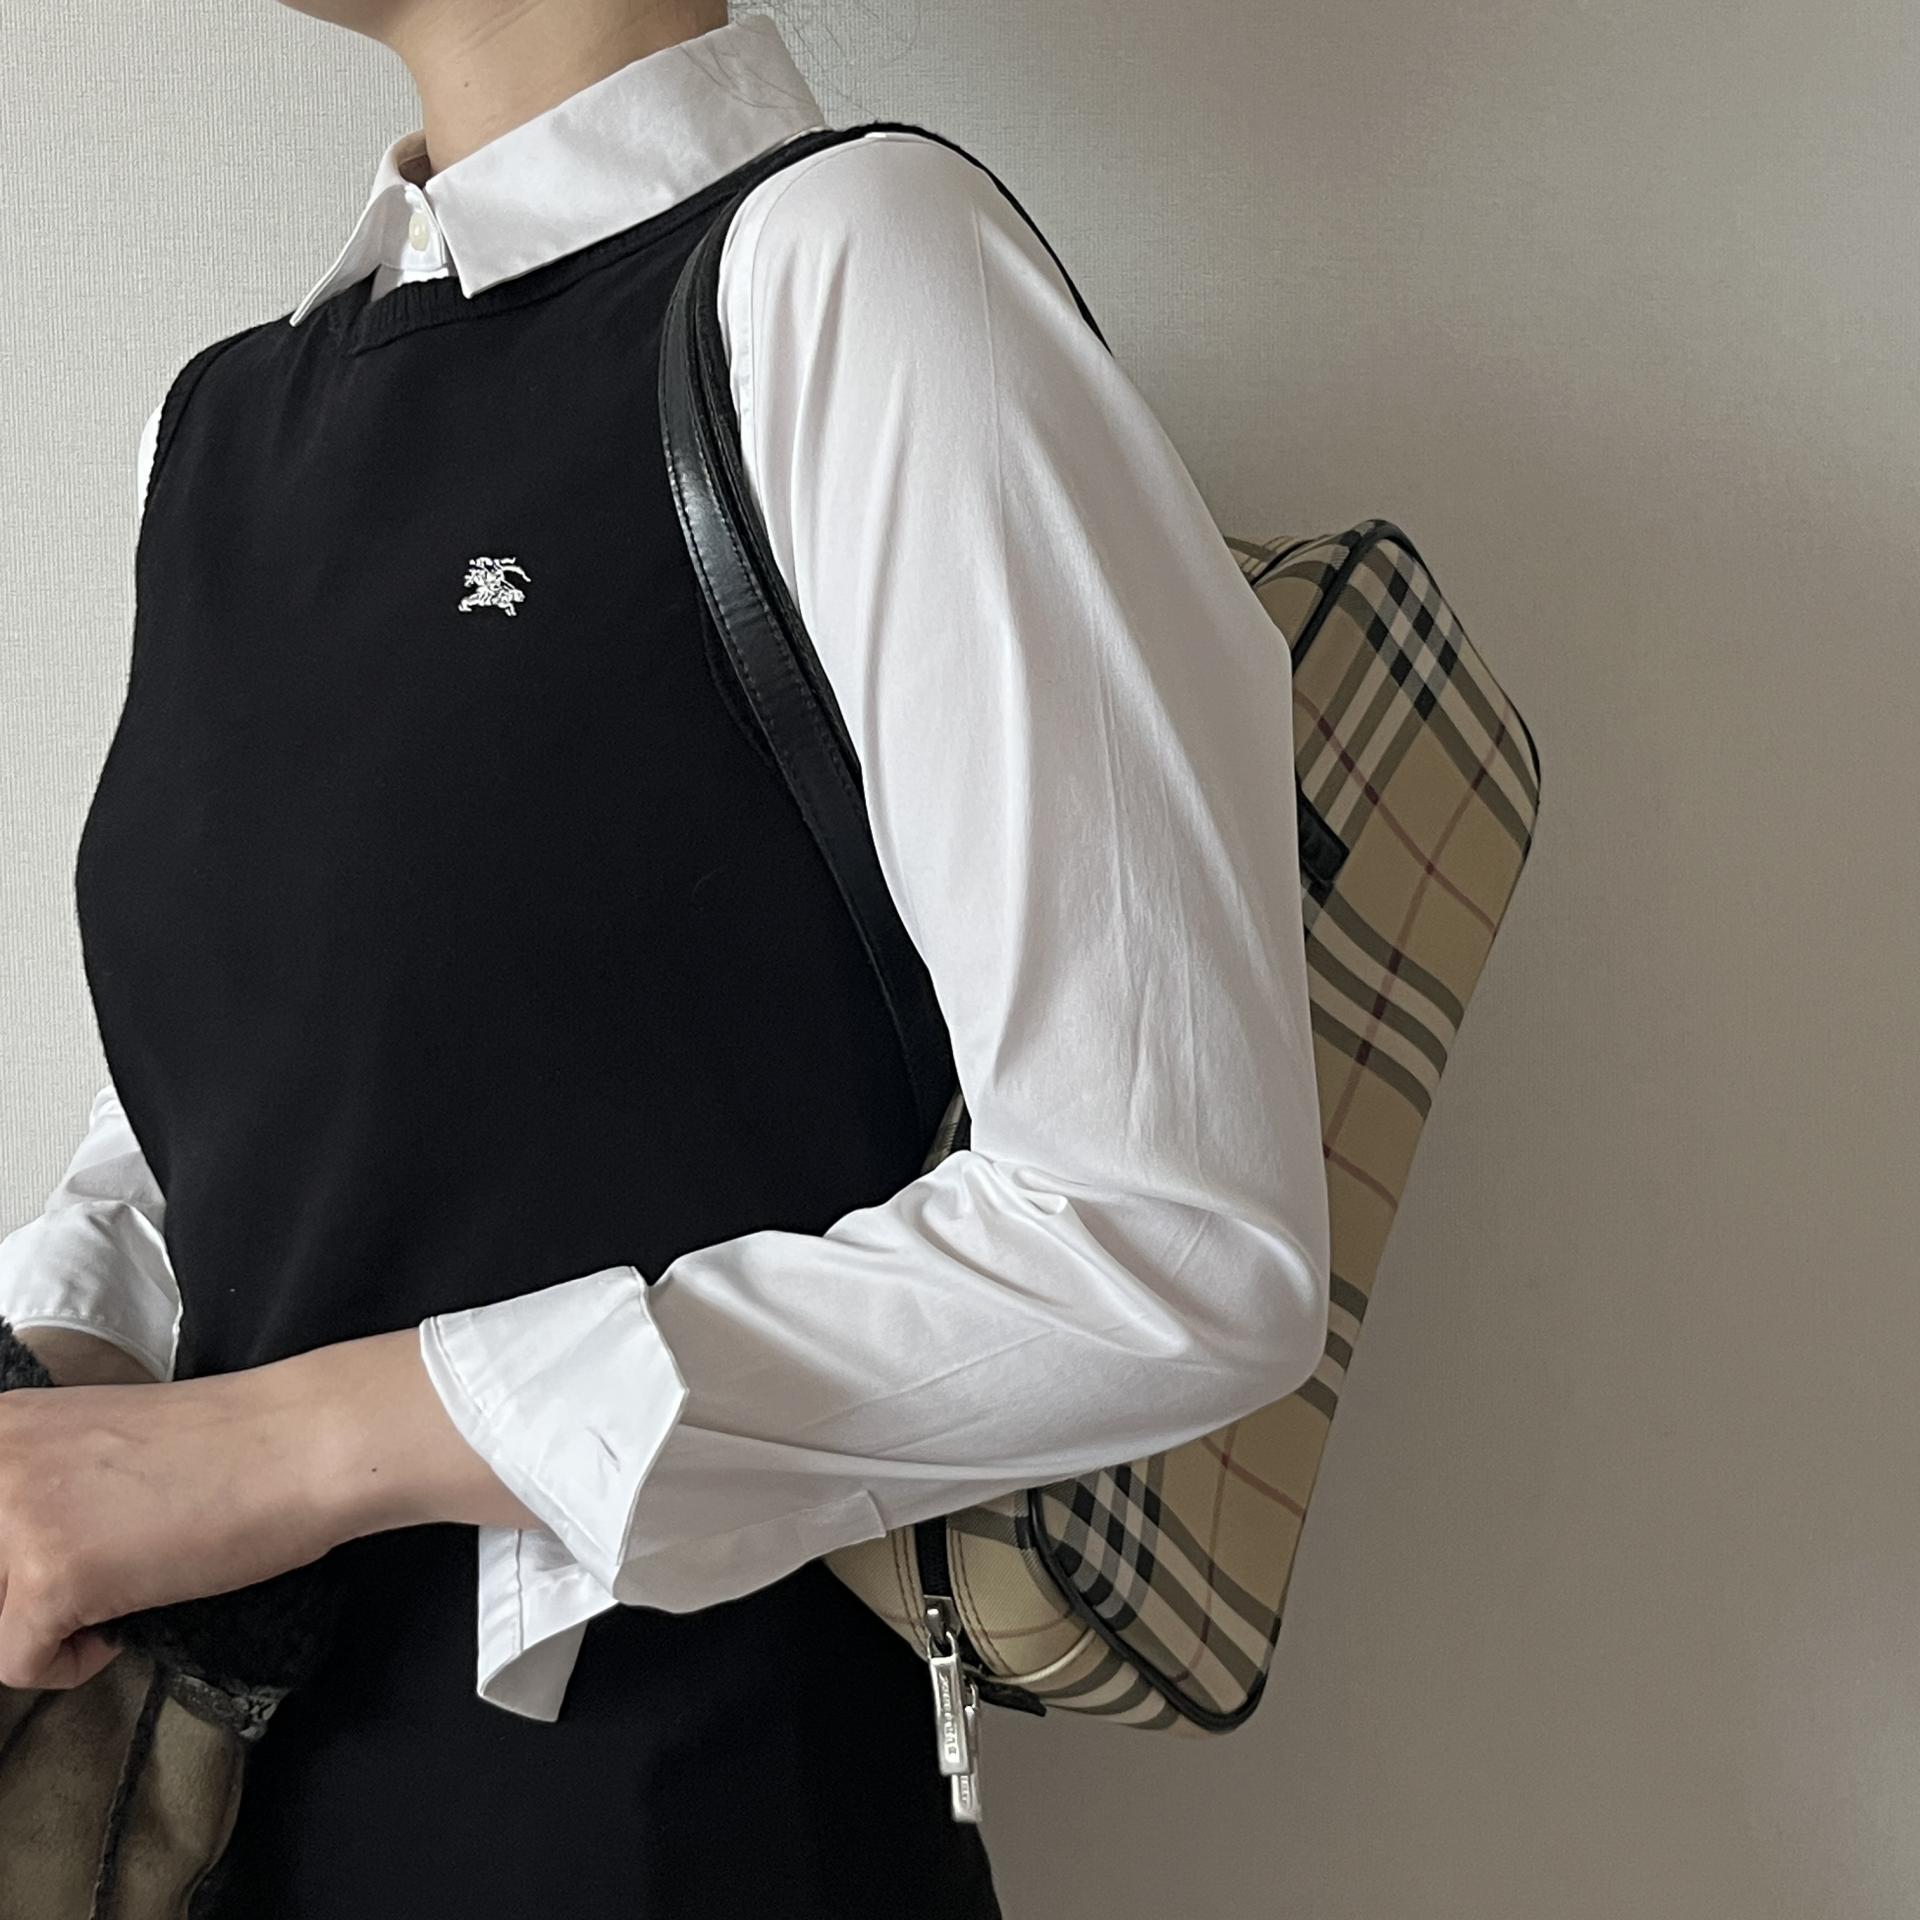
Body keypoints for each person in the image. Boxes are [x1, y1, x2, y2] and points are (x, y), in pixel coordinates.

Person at [0, 2, 1332, 1913]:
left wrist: (265, 1451)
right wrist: (62, 1388)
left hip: (669, 1823)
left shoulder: (853, 273)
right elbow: (213, 1112)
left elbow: (1171, 1237)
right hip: (192, 1819)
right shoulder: (218, 426)